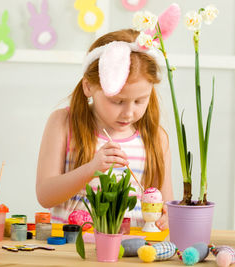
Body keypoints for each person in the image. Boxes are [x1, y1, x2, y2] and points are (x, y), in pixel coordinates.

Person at [36, 29, 172, 230]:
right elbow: (45, 195)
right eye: (117, 101)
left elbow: (164, 204)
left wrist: (167, 216)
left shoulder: (155, 137)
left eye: (140, 100)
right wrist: (91, 169)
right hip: (70, 252)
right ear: (88, 86)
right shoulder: (63, 123)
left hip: (132, 254)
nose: (128, 112)